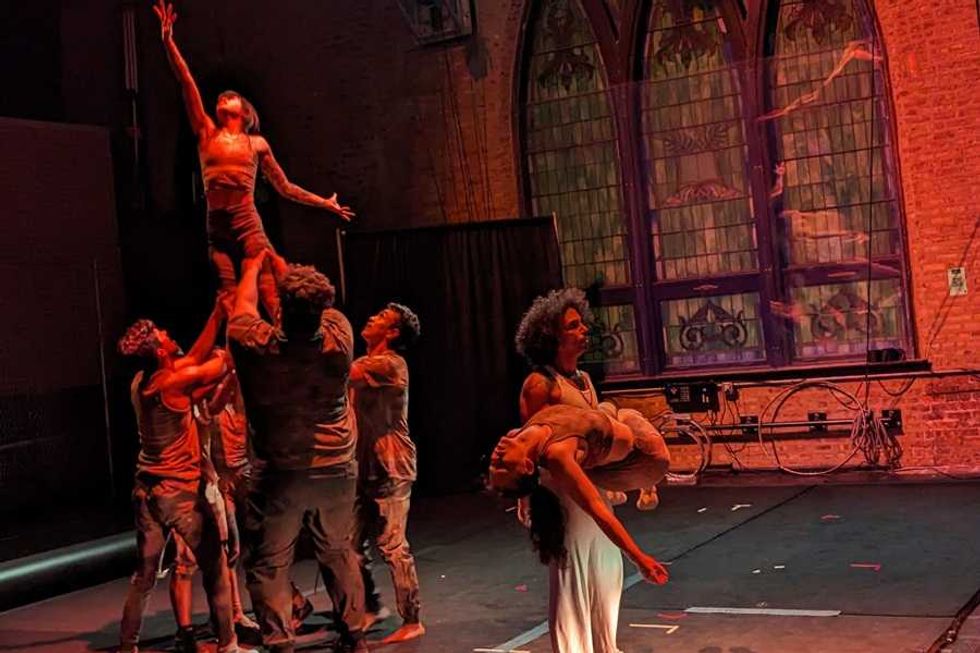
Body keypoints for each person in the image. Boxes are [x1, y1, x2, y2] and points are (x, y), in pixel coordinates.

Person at [152, 0, 354, 320]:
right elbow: (186, 81)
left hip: (245, 219)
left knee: (268, 285)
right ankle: (242, 346)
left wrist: (324, 203)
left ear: (245, 112)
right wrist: (168, 41)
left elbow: (285, 187)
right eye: (221, 97)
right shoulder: (207, 132)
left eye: (231, 97)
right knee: (228, 293)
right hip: (216, 222)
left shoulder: (256, 143)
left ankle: (289, 335)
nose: (223, 97)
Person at [228, 250, 368, 653]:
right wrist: (280, 264)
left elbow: (241, 309)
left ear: (280, 308)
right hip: (335, 467)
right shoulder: (340, 337)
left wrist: (252, 265)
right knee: (338, 552)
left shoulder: (255, 345)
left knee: (270, 563)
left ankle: (280, 643)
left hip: (281, 472)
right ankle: (355, 636)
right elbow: (303, 299)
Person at [489, 403, 671, 653]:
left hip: (603, 433)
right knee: (630, 423)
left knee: (605, 408)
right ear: (528, 466)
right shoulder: (557, 455)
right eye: (502, 466)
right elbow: (597, 511)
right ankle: (639, 487)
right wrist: (639, 558)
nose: (495, 458)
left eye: (493, 466)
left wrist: (524, 501)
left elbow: (524, 481)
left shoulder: (516, 435)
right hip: (640, 460)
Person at [116, 304, 239, 653]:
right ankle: (229, 645)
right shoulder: (172, 382)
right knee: (215, 568)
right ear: (160, 351)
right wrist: (230, 326)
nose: (170, 335)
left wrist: (217, 313)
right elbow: (213, 363)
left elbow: (194, 367)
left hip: (147, 493)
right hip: (179, 495)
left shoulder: (143, 382)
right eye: (164, 335)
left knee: (143, 576)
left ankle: (127, 646)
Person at [516, 288, 660, 511]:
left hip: (592, 485)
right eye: (573, 326)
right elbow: (531, 447)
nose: (584, 329)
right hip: (562, 491)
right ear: (553, 338)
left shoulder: (584, 378)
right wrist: (524, 497)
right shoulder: (540, 384)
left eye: (581, 323)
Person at [350, 304, 424, 643]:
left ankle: (412, 618)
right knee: (349, 543)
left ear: (392, 333)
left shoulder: (391, 365)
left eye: (380, 318)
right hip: (363, 464)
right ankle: (371, 606)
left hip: (392, 465)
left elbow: (342, 370)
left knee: (392, 544)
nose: (370, 318)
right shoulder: (366, 364)